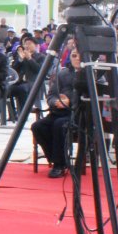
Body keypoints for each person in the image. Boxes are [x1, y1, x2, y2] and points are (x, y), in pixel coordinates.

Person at [32, 50, 80, 178]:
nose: (77, 58)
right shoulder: (63, 74)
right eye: (74, 55)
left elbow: (91, 97)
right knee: (37, 126)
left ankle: (59, 165)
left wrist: (69, 101)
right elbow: (51, 95)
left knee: (59, 124)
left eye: (80, 55)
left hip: (78, 114)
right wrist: (55, 102)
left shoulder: (91, 74)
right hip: (58, 111)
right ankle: (57, 159)